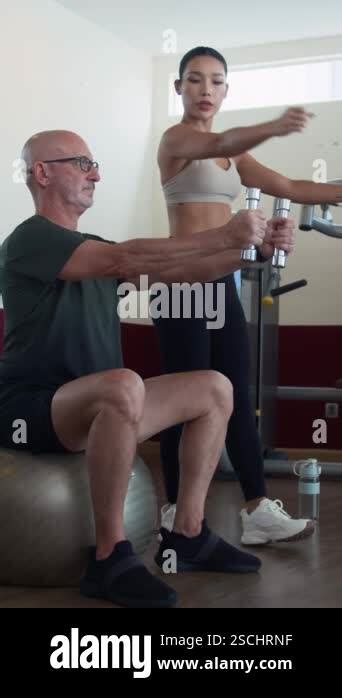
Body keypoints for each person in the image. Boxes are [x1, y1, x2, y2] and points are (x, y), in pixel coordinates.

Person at [0, 129, 279, 609]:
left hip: (105, 407)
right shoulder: (31, 239)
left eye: (96, 164)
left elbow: (181, 273)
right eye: (82, 163)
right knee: (122, 385)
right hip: (32, 408)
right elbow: (122, 257)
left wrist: (252, 252)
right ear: (42, 173)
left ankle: (187, 534)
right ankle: (110, 558)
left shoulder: (94, 248)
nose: (97, 174)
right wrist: (224, 233)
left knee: (214, 387)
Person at [152, 46, 342, 546]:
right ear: (179, 88)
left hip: (222, 283)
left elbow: (290, 185)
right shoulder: (177, 140)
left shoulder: (234, 154)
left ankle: (257, 510)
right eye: (194, 80)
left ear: (226, 90)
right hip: (180, 288)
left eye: (216, 81)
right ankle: (174, 508)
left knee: (236, 396)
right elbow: (224, 139)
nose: (205, 90)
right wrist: (273, 126)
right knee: (184, 402)